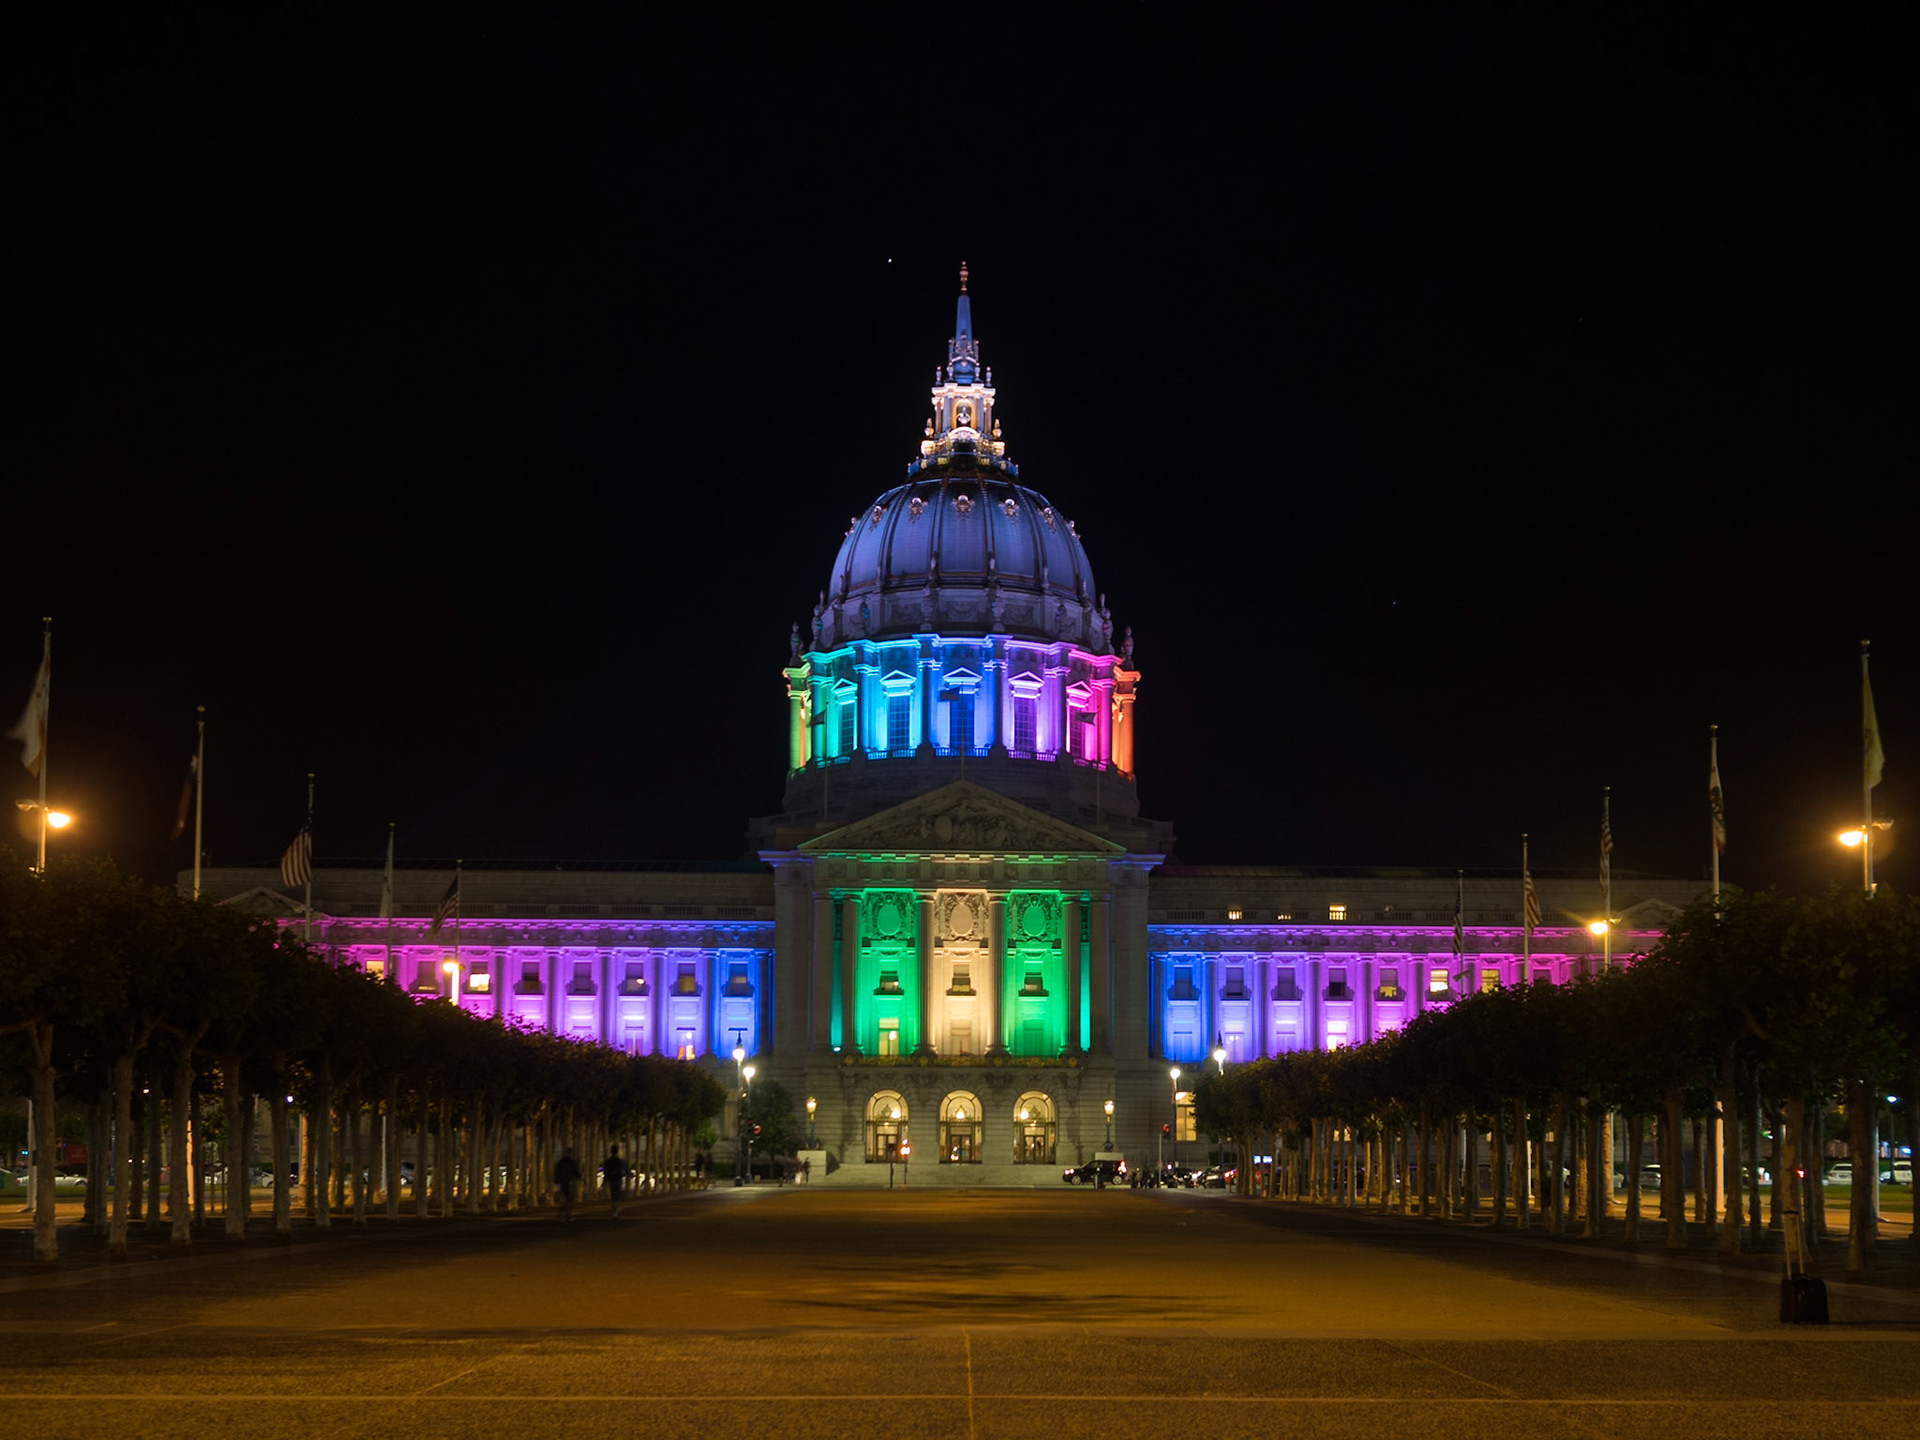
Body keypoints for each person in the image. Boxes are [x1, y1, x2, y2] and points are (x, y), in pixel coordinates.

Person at [553, 1148, 581, 1222]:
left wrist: (557, 1180)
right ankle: (567, 1214)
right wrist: (579, 1177)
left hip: (563, 1181)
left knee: (565, 1198)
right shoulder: (571, 1162)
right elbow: (576, 1171)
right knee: (568, 1199)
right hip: (568, 1181)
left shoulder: (561, 1162)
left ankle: (563, 1215)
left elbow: (557, 1171)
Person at [603, 1145, 631, 1218]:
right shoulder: (621, 1161)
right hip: (618, 1179)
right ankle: (616, 1210)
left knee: (613, 1196)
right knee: (617, 1196)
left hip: (611, 1179)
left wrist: (605, 1180)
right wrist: (629, 1174)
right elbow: (627, 1170)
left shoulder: (608, 1161)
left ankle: (615, 1211)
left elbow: (605, 1171)